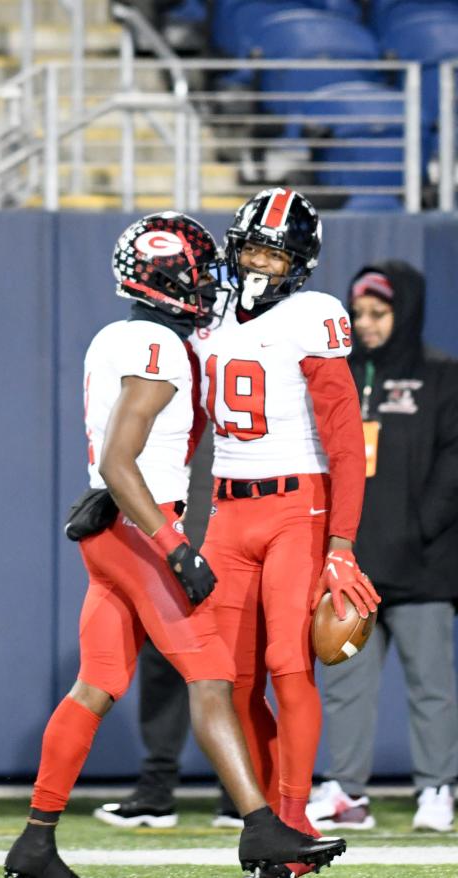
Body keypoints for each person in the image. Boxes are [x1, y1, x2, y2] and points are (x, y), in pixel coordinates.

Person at [3, 212, 345, 878]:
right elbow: (121, 458)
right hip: (142, 529)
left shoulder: (117, 337)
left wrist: (121, 498)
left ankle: (36, 841)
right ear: (170, 280)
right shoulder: (157, 347)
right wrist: (176, 546)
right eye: (198, 271)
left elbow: (115, 455)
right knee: (214, 679)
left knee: (96, 685)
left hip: (114, 529)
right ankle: (261, 828)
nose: (212, 281)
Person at [192, 188, 380, 876]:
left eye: (272, 251)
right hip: (224, 509)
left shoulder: (315, 315)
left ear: (299, 261)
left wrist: (342, 541)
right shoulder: (208, 313)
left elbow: (345, 441)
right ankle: (267, 817)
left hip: (294, 505)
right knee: (228, 681)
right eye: (250, 248)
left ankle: (296, 817)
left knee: (287, 664)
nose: (258, 262)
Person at [307, 262, 458, 833]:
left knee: (432, 687)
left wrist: (419, 527)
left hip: (425, 565)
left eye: (379, 313)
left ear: (406, 311)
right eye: (359, 313)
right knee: (346, 684)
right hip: (352, 567)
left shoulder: (444, 375)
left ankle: (437, 790)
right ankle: (346, 792)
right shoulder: (335, 374)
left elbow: (454, 463)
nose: (366, 324)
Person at [92, 641, 242, 829]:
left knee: (236, 675)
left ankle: (239, 796)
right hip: (171, 613)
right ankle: (157, 793)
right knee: (165, 664)